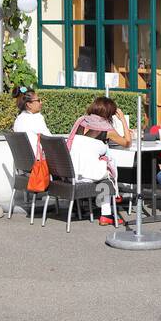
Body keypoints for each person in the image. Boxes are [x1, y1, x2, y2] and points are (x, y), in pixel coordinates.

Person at [67, 96, 134, 225]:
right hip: (86, 176)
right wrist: (123, 121)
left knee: (98, 166)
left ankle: (78, 206)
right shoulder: (105, 128)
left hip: (70, 173)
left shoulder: (81, 121)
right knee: (107, 176)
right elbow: (127, 142)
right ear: (110, 112)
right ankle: (106, 215)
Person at [11, 86, 50, 157]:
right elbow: (50, 140)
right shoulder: (36, 118)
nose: (41, 102)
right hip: (39, 163)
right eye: (38, 100)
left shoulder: (18, 119)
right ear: (29, 104)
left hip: (24, 162)